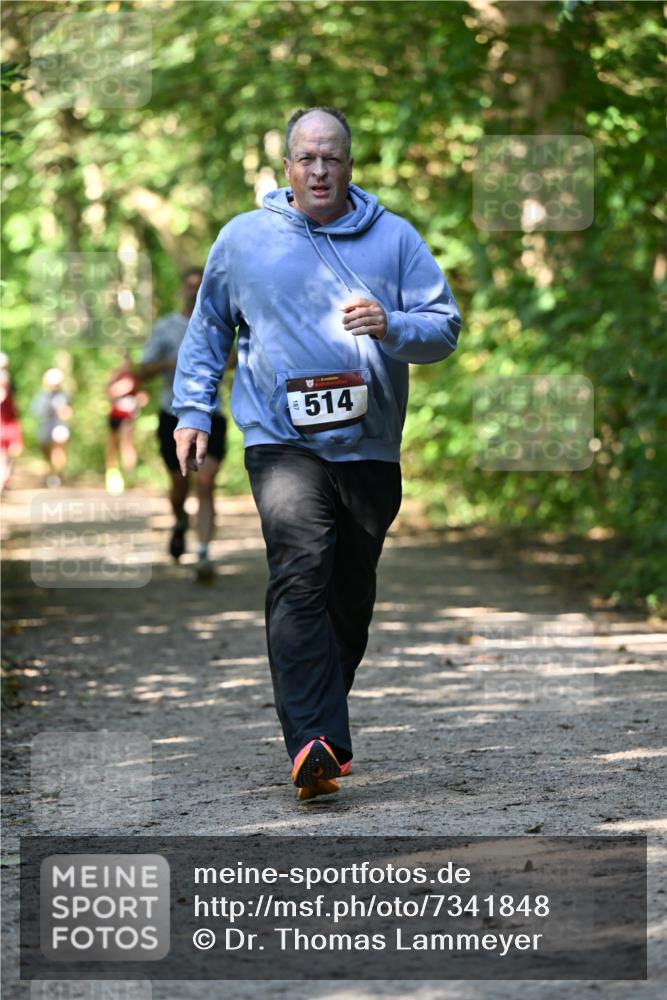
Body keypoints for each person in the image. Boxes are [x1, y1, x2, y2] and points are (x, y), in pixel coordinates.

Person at [172, 107, 461, 799]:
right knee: (300, 572)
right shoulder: (243, 239)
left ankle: (320, 729)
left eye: (332, 156)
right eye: (307, 157)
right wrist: (192, 408)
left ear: (350, 163)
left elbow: (443, 329)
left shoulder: (394, 239)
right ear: (287, 167)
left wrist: (392, 324)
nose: (320, 169)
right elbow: (209, 327)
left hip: (370, 448)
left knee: (349, 592)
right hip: (280, 441)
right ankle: (312, 741)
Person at [136, 267, 228, 582]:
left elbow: (237, 360)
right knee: (180, 484)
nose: (194, 291)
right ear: (182, 290)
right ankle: (179, 521)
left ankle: (203, 552)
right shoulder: (165, 327)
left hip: (212, 414)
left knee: (206, 481)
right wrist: (168, 363)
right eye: (189, 286)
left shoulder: (220, 324)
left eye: (200, 286)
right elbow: (141, 372)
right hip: (171, 414)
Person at [105, 350, 149, 495]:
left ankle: (129, 476)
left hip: (128, 417)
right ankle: (112, 475)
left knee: (127, 444)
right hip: (114, 415)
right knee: (112, 445)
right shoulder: (115, 376)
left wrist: (139, 398)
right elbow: (109, 392)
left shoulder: (134, 378)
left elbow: (143, 395)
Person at [31, 367, 72, 488]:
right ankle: (51, 471)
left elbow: (68, 412)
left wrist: (64, 413)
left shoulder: (64, 396)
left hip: (59, 426)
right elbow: (36, 411)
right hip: (46, 425)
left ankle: (56, 474)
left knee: (58, 448)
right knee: (45, 448)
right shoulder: (41, 396)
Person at [0, 353, 23, 494]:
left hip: (7, 426)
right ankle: (3, 480)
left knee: (6, 455)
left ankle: (4, 480)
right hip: (6, 426)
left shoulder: (9, 396)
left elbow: (14, 412)